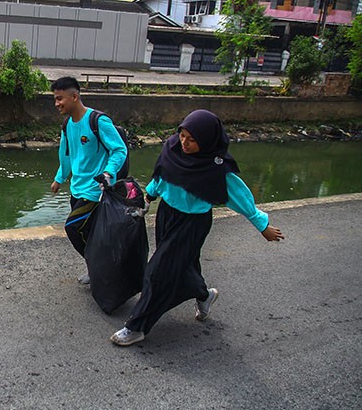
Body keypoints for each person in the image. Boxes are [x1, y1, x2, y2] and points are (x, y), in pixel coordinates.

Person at [111, 109, 285, 346]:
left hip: (192, 224)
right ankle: (205, 295)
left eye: (192, 140)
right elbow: (162, 173)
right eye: (182, 135)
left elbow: (239, 196)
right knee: (182, 266)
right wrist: (150, 193)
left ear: (207, 140)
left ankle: (136, 327)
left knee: (158, 271)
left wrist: (261, 224)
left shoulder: (215, 168)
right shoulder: (172, 149)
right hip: (167, 216)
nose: (185, 143)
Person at [50, 76, 128, 283]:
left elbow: (119, 150)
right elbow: (66, 156)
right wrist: (59, 179)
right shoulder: (67, 124)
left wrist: (108, 172)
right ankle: (97, 269)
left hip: (96, 190)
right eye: (55, 99)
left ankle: (99, 266)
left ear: (74, 97)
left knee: (73, 227)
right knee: (90, 232)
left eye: (60, 99)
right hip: (77, 188)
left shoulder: (98, 121)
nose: (57, 104)